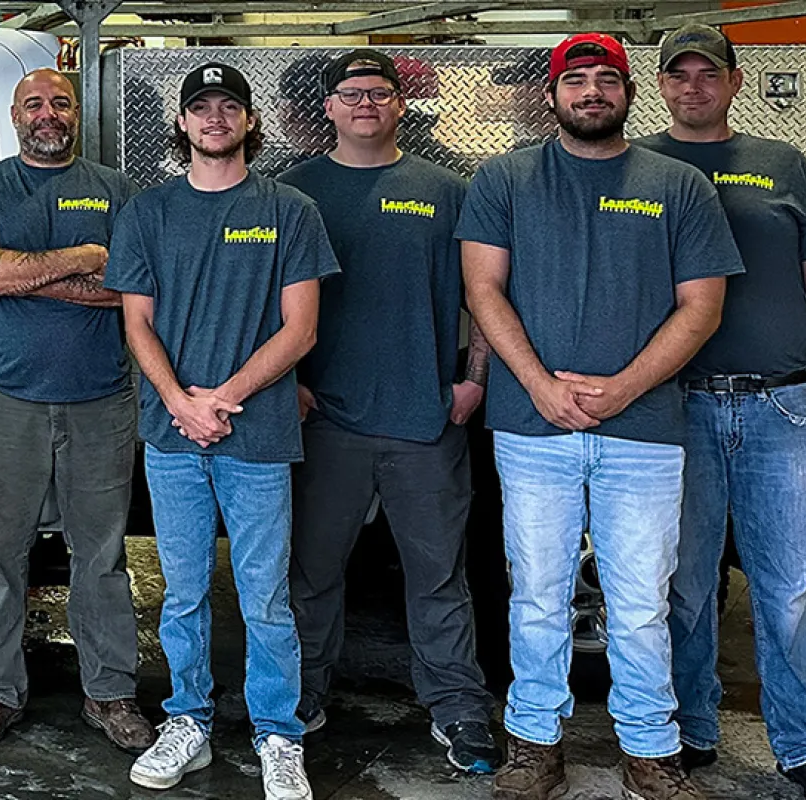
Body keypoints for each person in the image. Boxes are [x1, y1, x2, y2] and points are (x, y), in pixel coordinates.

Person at [458, 33, 743, 800]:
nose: (590, 92)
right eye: (575, 80)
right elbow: (484, 292)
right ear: (553, 95)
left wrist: (622, 389)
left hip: (644, 430)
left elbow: (702, 306)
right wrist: (540, 386)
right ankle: (534, 744)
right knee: (539, 593)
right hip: (531, 426)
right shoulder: (505, 178)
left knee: (644, 599)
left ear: (629, 92)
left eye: (605, 80)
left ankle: (652, 750)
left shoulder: (679, 186)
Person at [105, 61, 337, 800]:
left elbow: (301, 329)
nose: (214, 118)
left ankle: (278, 734)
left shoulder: (290, 209)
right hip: (173, 434)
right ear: (181, 123)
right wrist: (178, 400)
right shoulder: (148, 212)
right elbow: (134, 319)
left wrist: (224, 399)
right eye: (200, 108)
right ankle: (189, 722)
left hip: (256, 434)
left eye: (228, 107)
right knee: (181, 593)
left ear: (249, 122)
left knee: (265, 594)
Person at [275, 49, 500, 774]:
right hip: (325, 423)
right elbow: (266, 306)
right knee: (310, 577)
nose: (365, 103)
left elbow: (487, 297)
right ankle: (300, 702)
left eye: (378, 92)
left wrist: (473, 380)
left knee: (438, 577)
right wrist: (290, 387)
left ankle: (459, 709)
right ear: (329, 108)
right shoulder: (292, 192)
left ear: (400, 105)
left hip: (425, 424)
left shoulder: (447, 191)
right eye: (350, 93)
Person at [636, 24, 806, 798]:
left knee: (785, 585)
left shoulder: (785, 166)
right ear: (660, 86)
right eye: (678, 74)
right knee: (682, 583)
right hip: (674, 406)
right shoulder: (641, 167)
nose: (693, 85)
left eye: (707, 73)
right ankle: (689, 727)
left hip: (778, 406)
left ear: (735, 81)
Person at [0, 68, 154, 754]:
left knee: (100, 555)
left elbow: (130, 290)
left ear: (76, 113)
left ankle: (111, 691)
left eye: (59, 102)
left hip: (101, 401)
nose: (48, 113)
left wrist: (27, 276)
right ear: (15, 114)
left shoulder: (116, 190)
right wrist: (82, 259)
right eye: (34, 103)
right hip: (6, 400)